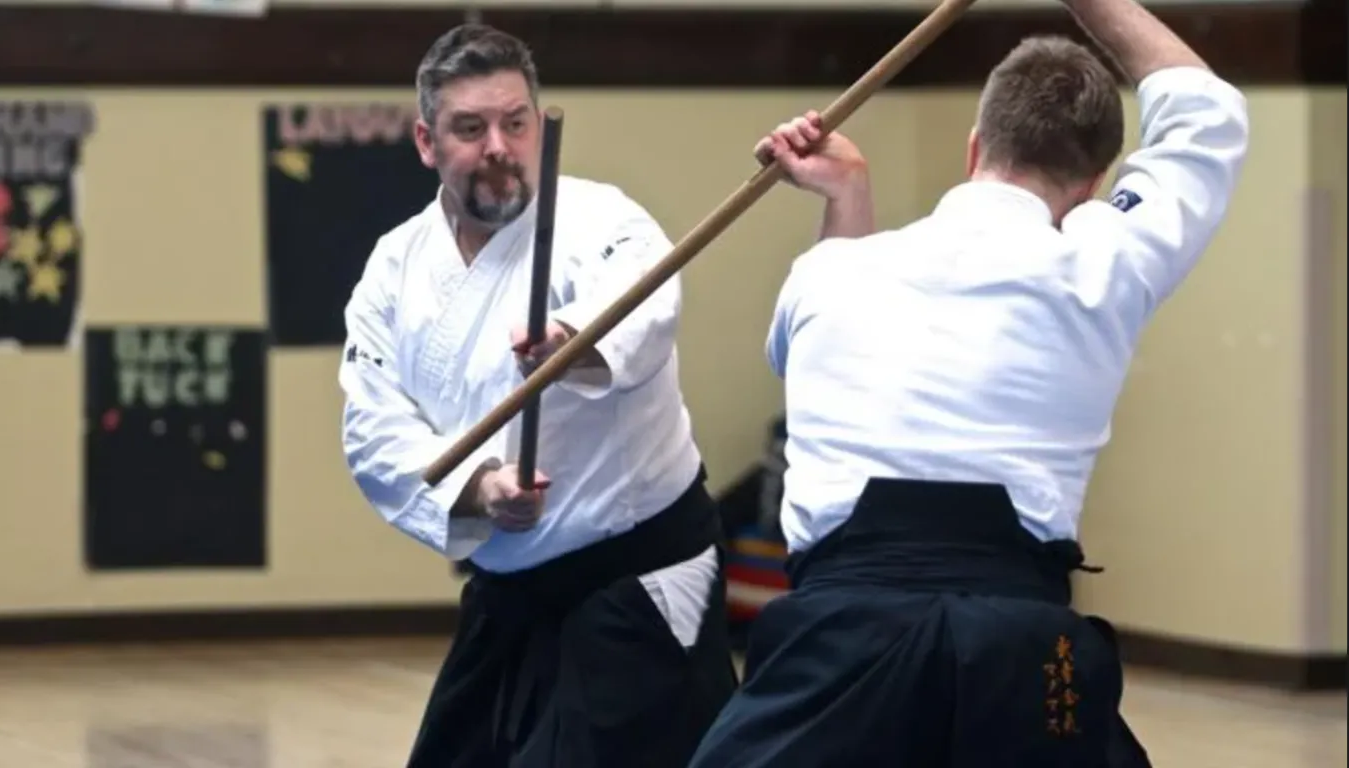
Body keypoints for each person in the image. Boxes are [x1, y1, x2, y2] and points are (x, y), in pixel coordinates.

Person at [686, 0, 1249, 764]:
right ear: (1092, 188)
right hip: (1021, 655)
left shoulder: (828, 277)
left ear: (974, 145)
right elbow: (1206, 112)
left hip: (839, 648)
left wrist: (847, 199)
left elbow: (810, 361)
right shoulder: (1103, 263)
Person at [337, 23, 737, 768]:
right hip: (511, 585)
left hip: (634, 575)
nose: (498, 145)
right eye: (470, 127)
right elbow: (372, 426)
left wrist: (576, 343)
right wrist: (481, 488)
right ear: (426, 142)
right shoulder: (394, 268)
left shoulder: (601, 220)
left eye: (515, 123)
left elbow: (646, 304)